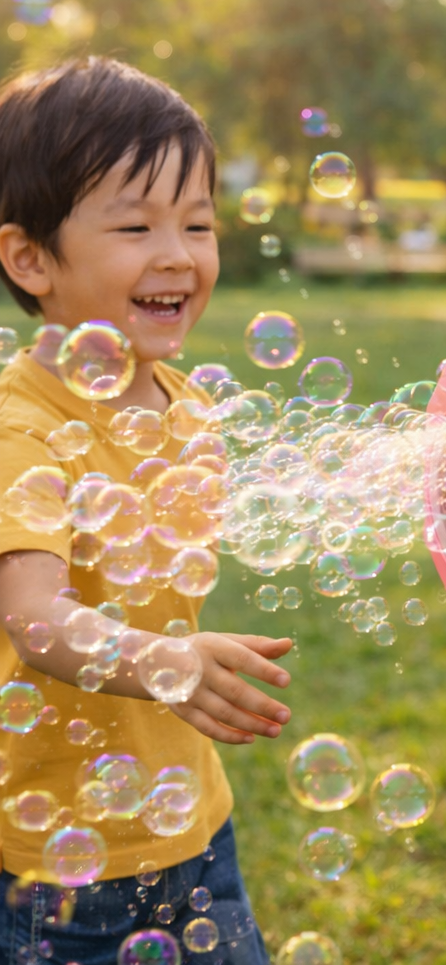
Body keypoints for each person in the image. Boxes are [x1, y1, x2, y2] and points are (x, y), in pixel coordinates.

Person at [0, 57, 292, 963]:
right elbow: (34, 619)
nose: (177, 253)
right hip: (60, 871)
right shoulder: (22, 427)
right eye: (135, 225)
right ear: (29, 257)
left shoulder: (186, 402)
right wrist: (168, 662)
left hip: (194, 825)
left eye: (197, 224)